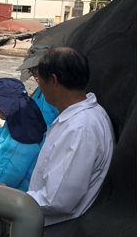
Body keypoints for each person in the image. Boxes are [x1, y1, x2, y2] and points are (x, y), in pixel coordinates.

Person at [27, 47, 115, 226]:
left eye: (40, 79)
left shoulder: (80, 129)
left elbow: (56, 200)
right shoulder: (85, 115)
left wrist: (13, 198)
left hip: (56, 229)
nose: (39, 86)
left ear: (53, 81)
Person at [16, 44, 59, 129]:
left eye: (38, 70)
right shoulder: (40, 90)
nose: (35, 75)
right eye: (31, 70)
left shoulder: (58, 92)